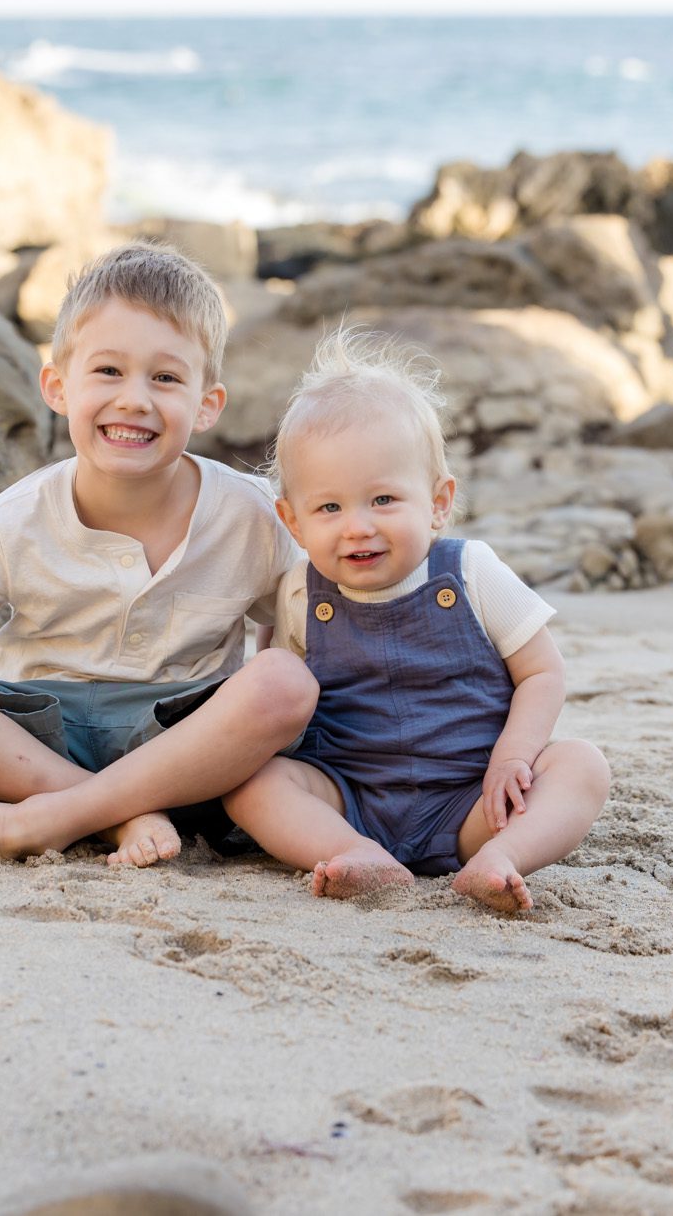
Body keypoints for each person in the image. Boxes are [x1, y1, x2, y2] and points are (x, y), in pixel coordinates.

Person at [0, 243, 314, 867]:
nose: (134, 400)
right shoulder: (14, 519)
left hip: (181, 757)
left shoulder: (254, 514)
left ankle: (40, 824)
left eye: (166, 378)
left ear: (207, 403)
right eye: (108, 372)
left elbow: (290, 652)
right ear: (57, 386)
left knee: (287, 684)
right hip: (26, 750)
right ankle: (104, 815)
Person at [222, 327, 612, 911]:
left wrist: (512, 757)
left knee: (582, 766)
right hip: (352, 797)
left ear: (437, 503)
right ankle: (354, 853)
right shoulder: (301, 593)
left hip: (473, 803)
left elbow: (542, 673)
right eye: (329, 507)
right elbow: (288, 703)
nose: (357, 525)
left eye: (382, 500)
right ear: (293, 521)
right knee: (251, 782)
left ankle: (500, 859)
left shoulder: (472, 572)